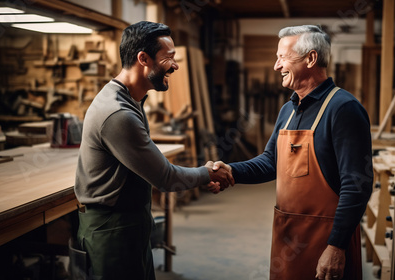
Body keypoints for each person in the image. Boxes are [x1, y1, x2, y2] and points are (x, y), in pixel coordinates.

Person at [74, 21, 233, 280]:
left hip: (127, 226)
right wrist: (207, 173)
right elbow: (166, 177)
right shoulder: (118, 114)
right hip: (111, 233)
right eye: (169, 57)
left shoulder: (129, 100)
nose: (176, 65)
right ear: (143, 58)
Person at [211, 25, 373, 280]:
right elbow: (270, 162)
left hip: (326, 239)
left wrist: (336, 246)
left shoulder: (343, 109)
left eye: (282, 57)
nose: (277, 66)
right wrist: (233, 171)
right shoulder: (288, 109)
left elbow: (357, 184)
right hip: (288, 235)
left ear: (311, 58)